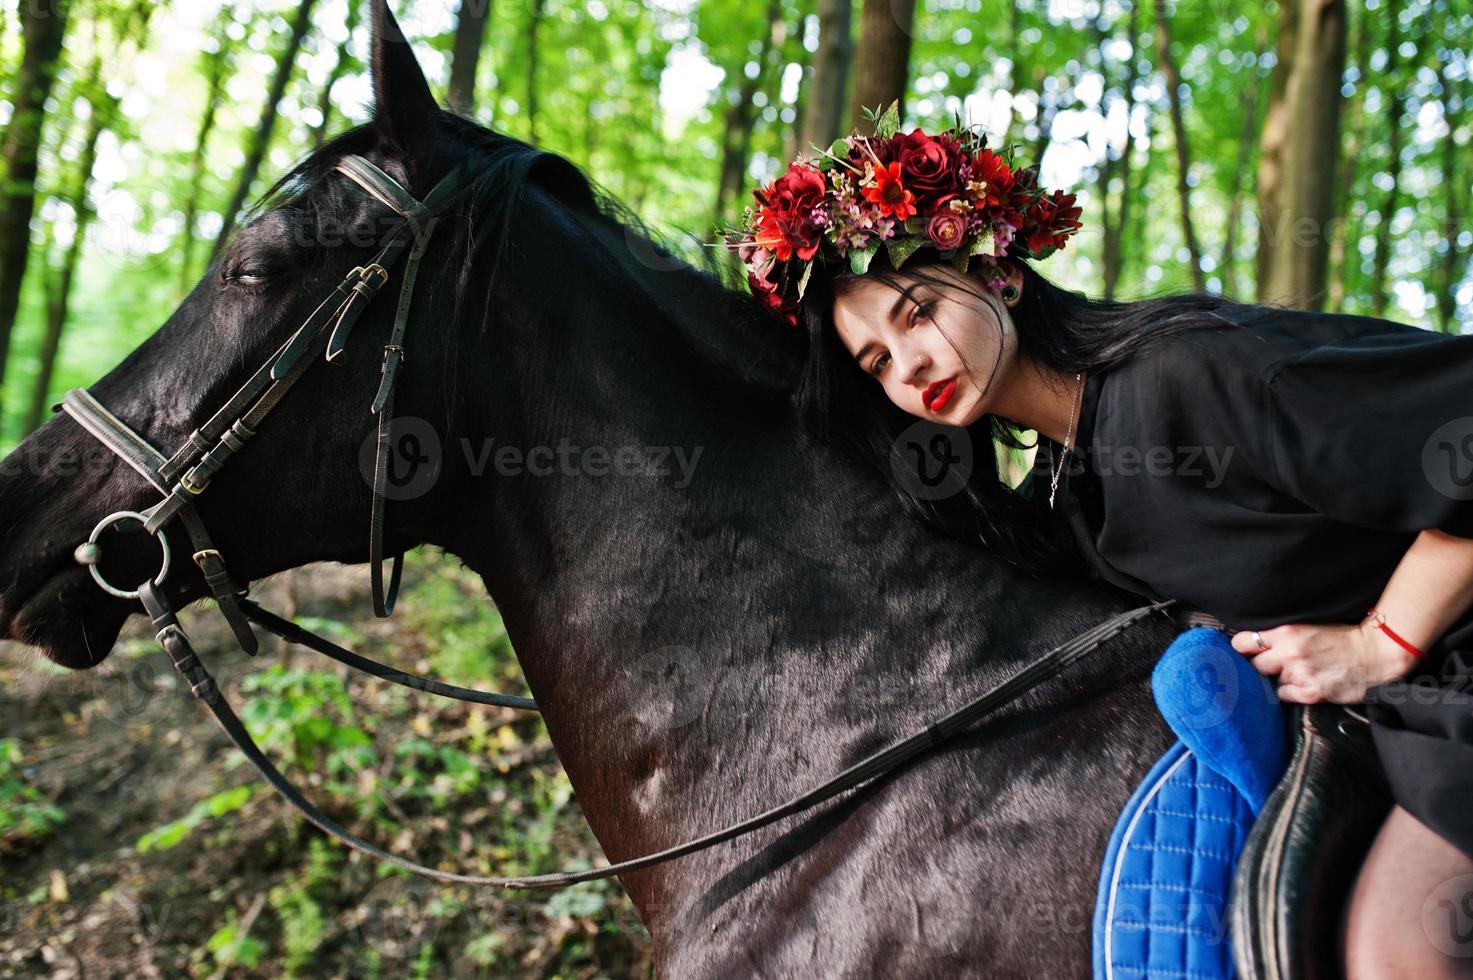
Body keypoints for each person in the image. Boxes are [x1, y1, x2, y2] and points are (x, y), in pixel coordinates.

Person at [723, 108, 1473, 976]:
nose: (910, 363)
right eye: (877, 363)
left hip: (1446, 670)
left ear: (996, 270)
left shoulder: (1189, 373)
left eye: (917, 313)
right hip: (1355, 726)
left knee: (1402, 947)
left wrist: (1381, 640)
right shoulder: (1067, 488)